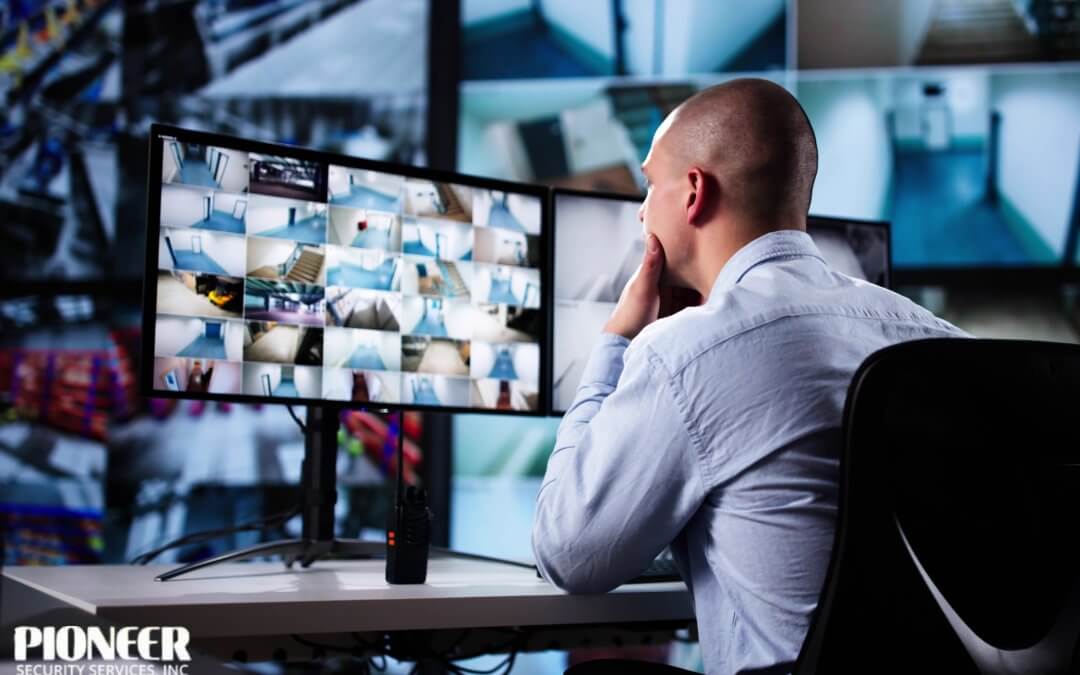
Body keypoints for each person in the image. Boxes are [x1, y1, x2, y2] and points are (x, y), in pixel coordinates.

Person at [532, 78, 967, 675]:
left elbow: (569, 553)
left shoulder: (685, 351)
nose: (640, 209)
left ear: (693, 192)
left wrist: (616, 342)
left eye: (650, 184)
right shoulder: (938, 338)